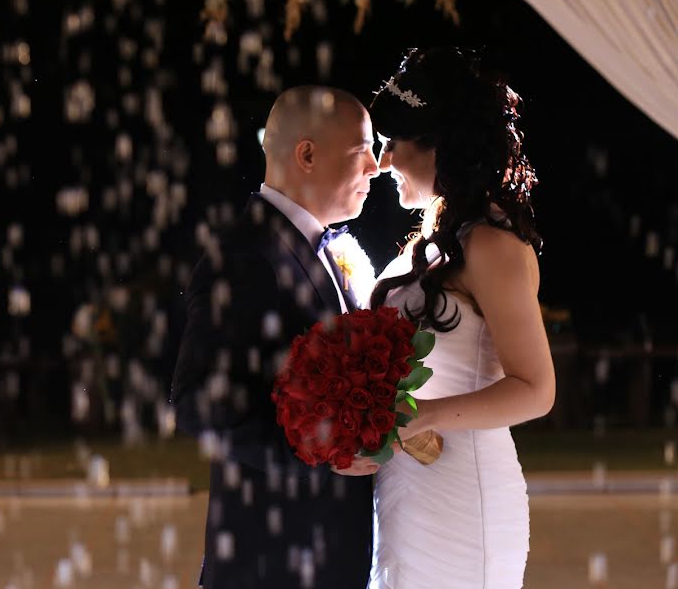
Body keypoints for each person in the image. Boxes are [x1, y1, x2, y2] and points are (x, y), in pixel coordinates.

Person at [171, 85, 380, 588]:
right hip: (272, 560)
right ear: (306, 153)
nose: (375, 168)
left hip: (328, 557)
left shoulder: (330, 250)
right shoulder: (244, 256)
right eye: (362, 152)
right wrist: (326, 457)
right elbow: (198, 403)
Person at [367, 47, 556, 588]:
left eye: (392, 144)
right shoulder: (437, 238)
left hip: (462, 503)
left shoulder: (491, 243)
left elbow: (536, 389)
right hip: (407, 494)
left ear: (437, 146)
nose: (382, 162)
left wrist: (416, 417)